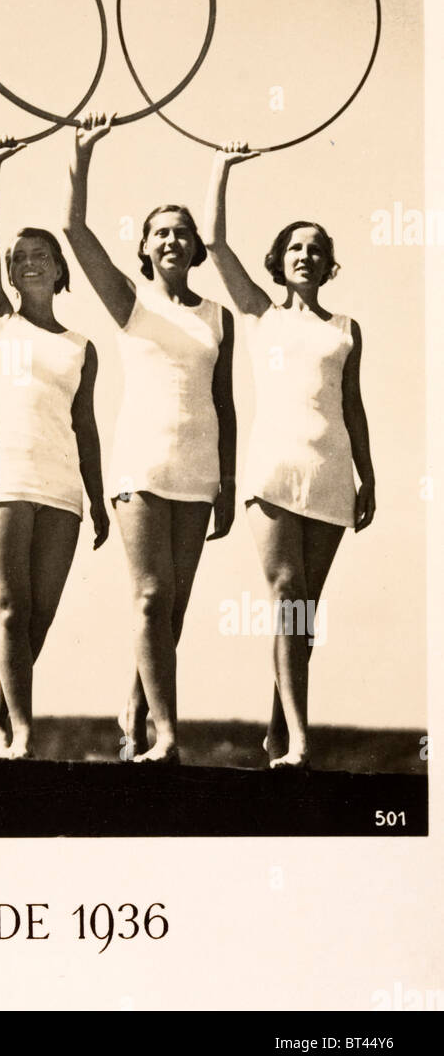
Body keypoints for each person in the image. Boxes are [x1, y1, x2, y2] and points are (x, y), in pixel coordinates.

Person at [64, 114, 236, 765]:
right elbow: (75, 234)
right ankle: (166, 735)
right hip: (137, 463)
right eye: (159, 232)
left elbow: (226, 404)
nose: (171, 239)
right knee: (150, 596)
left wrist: (229, 483)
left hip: (196, 467)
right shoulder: (129, 303)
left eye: (181, 233)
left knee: (174, 611)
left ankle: (136, 712)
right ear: (144, 246)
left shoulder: (217, 316)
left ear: (195, 249)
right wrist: (81, 157)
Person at [203, 141, 376, 769]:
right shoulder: (257, 313)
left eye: (317, 248)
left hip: (331, 473)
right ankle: (301, 740)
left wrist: (369, 474)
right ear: (280, 260)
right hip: (272, 471)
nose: (307, 255)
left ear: (328, 265)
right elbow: (215, 245)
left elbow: (350, 404)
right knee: (288, 595)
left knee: (303, 616)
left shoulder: (347, 328)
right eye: (296, 246)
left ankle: (278, 733)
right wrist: (221, 168)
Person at [0, 138, 109, 759]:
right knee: (7, 606)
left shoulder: (83, 345)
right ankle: (17, 730)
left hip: (63, 488)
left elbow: (87, 427)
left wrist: (100, 501)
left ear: (59, 270)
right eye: (18, 257)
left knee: (39, 618)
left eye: (41, 256)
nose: (29, 263)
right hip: (4, 478)